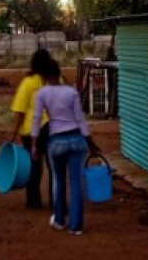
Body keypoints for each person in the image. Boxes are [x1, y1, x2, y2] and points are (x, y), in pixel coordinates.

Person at [31, 58, 100, 235]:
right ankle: (76, 227)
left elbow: (36, 120)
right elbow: (80, 120)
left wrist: (34, 145)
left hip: (56, 141)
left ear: (44, 75)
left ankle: (59, 219)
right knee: (76, 183)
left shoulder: (42, 93)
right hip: (77, 140)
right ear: (59, 73)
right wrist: (91, 144)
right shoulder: (72, 92)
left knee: (58, 181)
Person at [7, 48, 53, 209]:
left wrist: (13, 132)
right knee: (53, 166)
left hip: (29, 131)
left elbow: (19, 111)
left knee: (34, 167)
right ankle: (56, 200)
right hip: (51, 129)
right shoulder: (54, 79)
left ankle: (33, 200)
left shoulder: (27, 83)